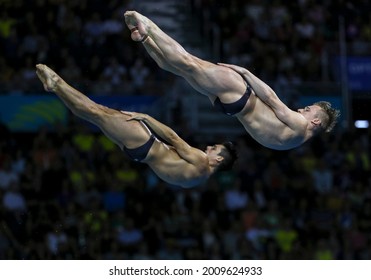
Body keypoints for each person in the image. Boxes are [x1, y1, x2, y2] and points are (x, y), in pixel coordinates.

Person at [124, 11, 340, 151]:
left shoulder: (301, 125)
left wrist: (246, 73)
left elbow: (273, 100)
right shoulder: (294, 142)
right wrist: (245, 78)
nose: (303, 109)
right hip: (233, 104)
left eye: (309, 109)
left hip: (240, 96)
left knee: (185, 65)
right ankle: (146, 32)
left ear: (316, 122)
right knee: (183, 67)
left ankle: (146, 32)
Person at [35, 64, 237, 188]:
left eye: (214, 149)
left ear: (218, 159)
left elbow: (174, 138)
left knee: (98, 111)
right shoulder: (199, 180)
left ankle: (57, 83)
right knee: (92, 116)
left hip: (145, 142)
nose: (209, 147)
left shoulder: (202, 161)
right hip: (140, 154)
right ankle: (56, 89)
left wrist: (147, 119)